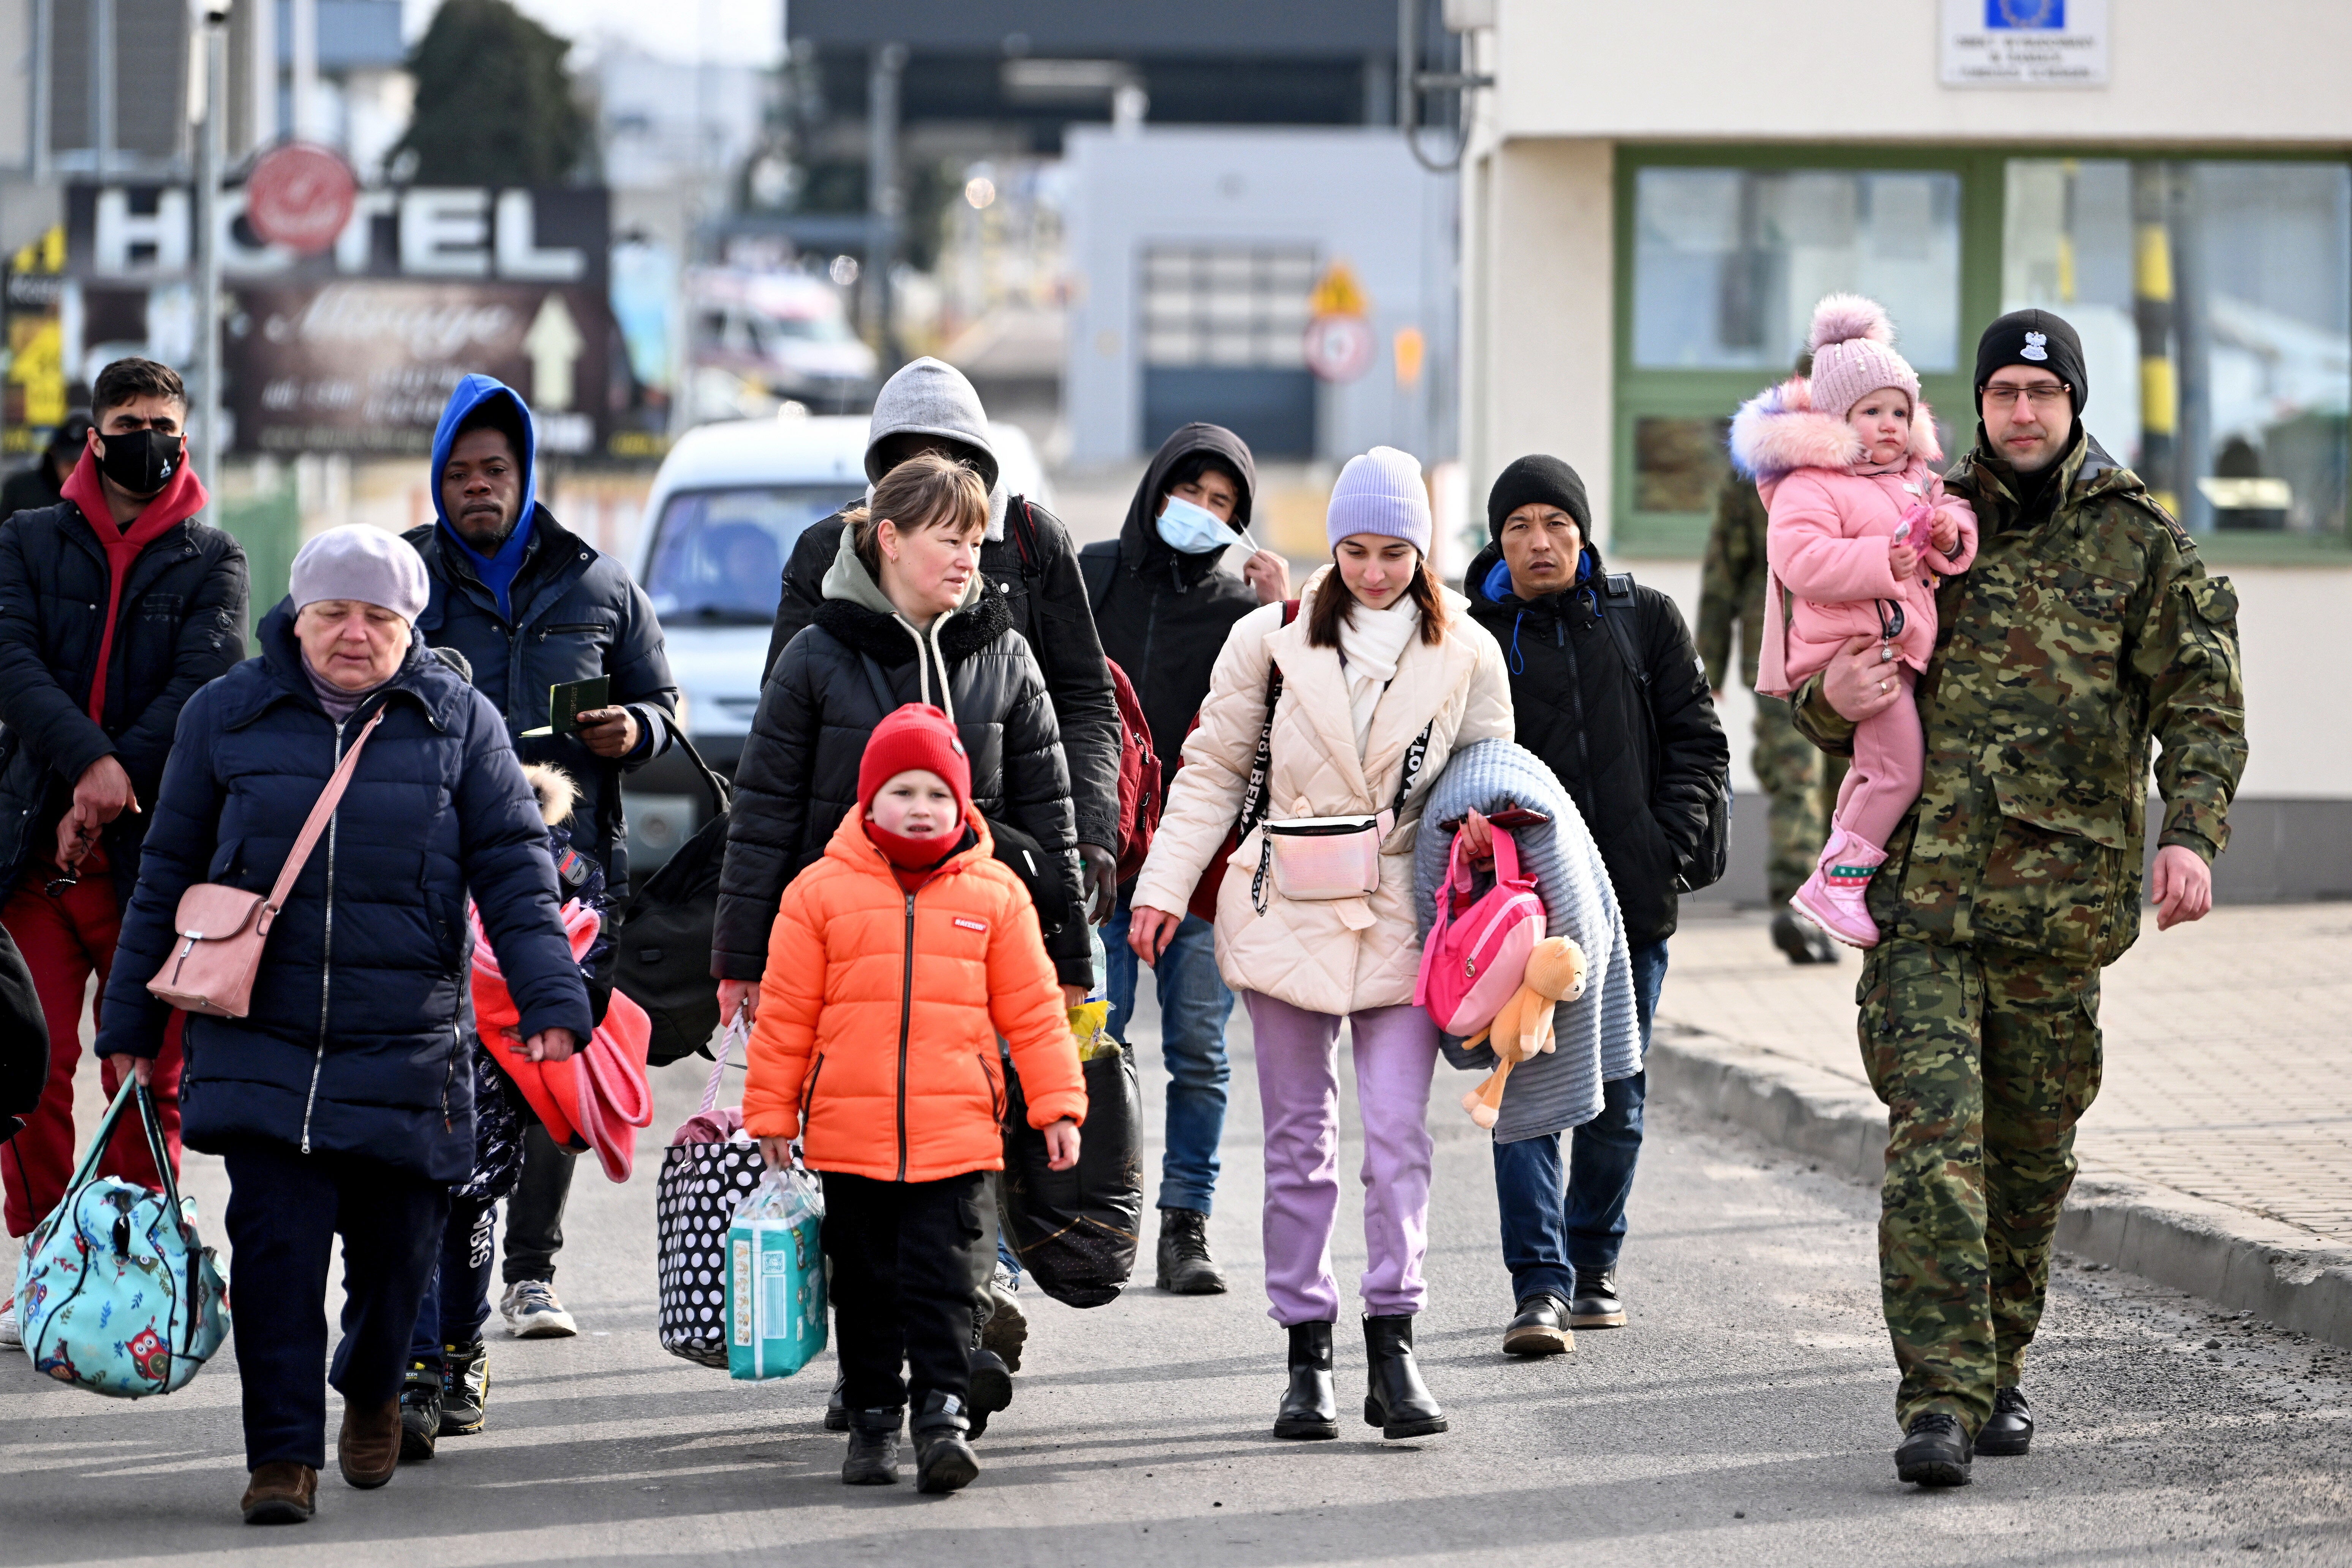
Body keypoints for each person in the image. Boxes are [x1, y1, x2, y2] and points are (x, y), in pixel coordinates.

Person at [1789, 308, 2245, 1487]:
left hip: (2058, 908)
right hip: (1925, 902)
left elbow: (2200, 695)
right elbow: (1824, 672)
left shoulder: (2138, 539)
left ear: (2073, 403)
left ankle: (1995, 1361)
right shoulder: (1919, 511)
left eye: (2044, 393)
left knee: (2031, 1157)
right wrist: (1833, 696)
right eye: (2003, 393)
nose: (2024, 412)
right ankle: (1938, 1397)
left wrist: (2190, 833)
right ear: (1981, 405)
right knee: (1938, 1142)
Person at [94, 525, 591, 1525]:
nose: (355, 635)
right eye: (335, 614)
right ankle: (281, 1458)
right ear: (298, 615)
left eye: (380, 618)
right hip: (262, 1036)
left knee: (399, 1250)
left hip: (406, 1042)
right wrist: (130, 1020)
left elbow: (515, 873)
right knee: (275, 1253)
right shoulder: (225, 715)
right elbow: (166, 872)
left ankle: (370, 1385)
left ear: (412, 626)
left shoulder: (460, 722)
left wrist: (550, 999)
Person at [1128, 447, 1513, 1443]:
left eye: (1393, 552)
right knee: (1300, 1145)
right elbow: (1209, 770)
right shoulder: (1269, 638)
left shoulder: (1468, 651)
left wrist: (1486, 835)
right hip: (1284, 901)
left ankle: (1397, 1344)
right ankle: (1308, 1354)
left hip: (1403, 910)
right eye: (1353, 550)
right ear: (1330, 546)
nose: (1374, 572)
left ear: (1423, 552)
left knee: (1397, 1137)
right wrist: (1165, 887)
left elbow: (1493, 779)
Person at [716, 450, 1082, 1438]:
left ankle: (947, 1375)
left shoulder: (1003, 649)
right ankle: (875, 1380)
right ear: (889, 541)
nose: (970, 557)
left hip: (978, 950)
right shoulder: (818, 656)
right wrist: (742, 959)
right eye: (950, 538)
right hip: (844, 966)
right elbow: (763, 813)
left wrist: (1075, 962)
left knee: (960, 1178)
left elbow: (1052, 808)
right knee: (867, 1191)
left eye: (977, 539)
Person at [743, 702, 1086, 1494]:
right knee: (864, 1288)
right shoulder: (817, 894)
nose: (922, 808)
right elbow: (787, 1014)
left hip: (960, 1132)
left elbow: (1033, 1012)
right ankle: (871, 1419)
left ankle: (942, 1419)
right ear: (868, 801)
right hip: (848, 1137)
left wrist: (1057, 1105)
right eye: (903, 792)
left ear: (964, 804)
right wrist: (771, 1114)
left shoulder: (997, 893)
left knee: (946, 1282)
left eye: (938, 793)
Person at [404, 373, 677, 1341]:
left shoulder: (600, 582)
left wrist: (631, 730)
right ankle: (441, 1289)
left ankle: (531, 1272)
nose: (480, 487)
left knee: (552, 1057)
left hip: (567, 870)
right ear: (438, 481)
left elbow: (664, 707)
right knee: (452, 1067)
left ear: (524, 478)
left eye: (497, 471)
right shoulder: (404, 582)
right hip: (434, 867)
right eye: (462, 473)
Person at [0, 359, 246, 1350]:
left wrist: (110, 786)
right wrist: (85, 769)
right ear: (95, 437)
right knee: (29, 1068)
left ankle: (138, 1261)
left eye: (165, 423)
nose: (151, 437)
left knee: (148, 1072)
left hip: (156, 864)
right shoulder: (25, 541)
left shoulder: (212, 556)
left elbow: (203, 686)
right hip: (32, 860)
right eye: (131, 422)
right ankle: (47, 1261)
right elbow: (11, 665)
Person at [1461, 455, 1728, 1340]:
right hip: (1519, 917)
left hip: (1631, 902)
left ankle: (1592, 1261)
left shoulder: (1640, 619)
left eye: (1556, 524)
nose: (1539, 543)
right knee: (1526, 1083)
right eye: (1519, 527)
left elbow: (1699, 740)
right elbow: (1448, 766)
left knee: (1617, 1090)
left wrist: (1663, 847)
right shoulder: (1471, 639)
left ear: (1582, 530)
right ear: (1496, 539)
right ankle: (1536, 1284)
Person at [761, 357, 1121, 927]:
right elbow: (782, 735)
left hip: (997, 873)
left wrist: (1091, 829)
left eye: (953, 458)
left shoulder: (1033, 542)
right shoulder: (828, 549)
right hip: (849, 873)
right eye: (911, 458)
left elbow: (1085, 700)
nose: (933, 476)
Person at [1084, 422, 1289, 1296]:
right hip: (1102, 858)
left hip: (1205, 868)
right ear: (1156, 486)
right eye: (1191, 493)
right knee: (1093, 1039)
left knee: (1199, 1051)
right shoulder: (1091, 574)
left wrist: (1286, 612)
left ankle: (1185, 1224)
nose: (1202, 513)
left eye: (1223, 505)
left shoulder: (1242, 609)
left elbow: (1294, 723)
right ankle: (1088, 1212)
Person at [1731, 295, 1978, 948]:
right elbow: (1800, 560)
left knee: (1874, 773)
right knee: (1897, 772)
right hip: (1849, 652)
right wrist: (1881, 561)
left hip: (1890, 648)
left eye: (1900, 410)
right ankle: (1837, 884)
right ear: (1839, 419)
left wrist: (1950, 537)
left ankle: (1834, 871)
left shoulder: (1911, 480)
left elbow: (1942, 543)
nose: (1891, 425)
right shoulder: (1809, 483)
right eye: (1872, 412)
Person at [397, 761, 609, 1461]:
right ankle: (418, 1369)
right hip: (405, 1063)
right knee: (408, 1216)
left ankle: (462, 1348)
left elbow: (589, 937)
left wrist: (559, 1004)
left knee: (467, 1219)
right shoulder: (400, 835)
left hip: (490, 1077)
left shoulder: (551, 860)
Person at [1697, 372, 1850, 966]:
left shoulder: (1757, 466)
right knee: (1841, 781)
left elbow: (1722, 570)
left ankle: (1800, 904)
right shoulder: (1861, 463)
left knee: (1797, 778)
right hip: (1839, 646)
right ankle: (1819, 906)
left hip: (1781, 649)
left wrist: (1708, 664)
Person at [0, 410, 92, 524]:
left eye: (83, 463)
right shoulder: (20, 491)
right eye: (69, 463)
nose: (75, 470)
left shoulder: (111, 496)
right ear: (53, 456)